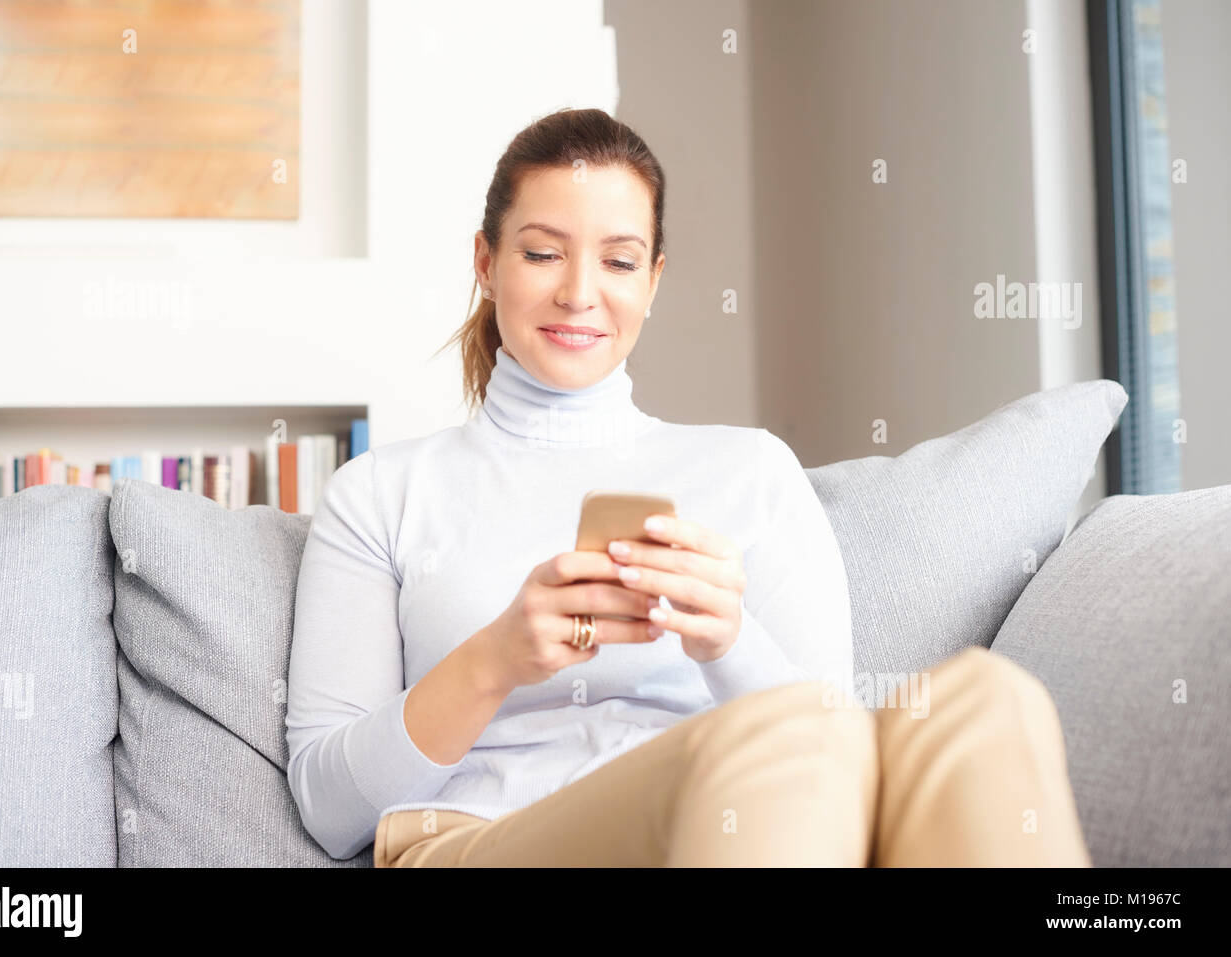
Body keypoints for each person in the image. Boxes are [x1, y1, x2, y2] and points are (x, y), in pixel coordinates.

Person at [284, 107, 1091, 867]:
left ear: (654, 280)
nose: (579, 292)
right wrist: (494, 660)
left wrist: (728, 639)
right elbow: (328, 804)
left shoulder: (750, 470)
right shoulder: (380, 492)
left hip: (723, 824)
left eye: (619, 260)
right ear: (486, 263)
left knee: (984, 700)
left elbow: (833, 744)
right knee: (777, 739)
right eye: (541, 252)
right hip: (482, 836)